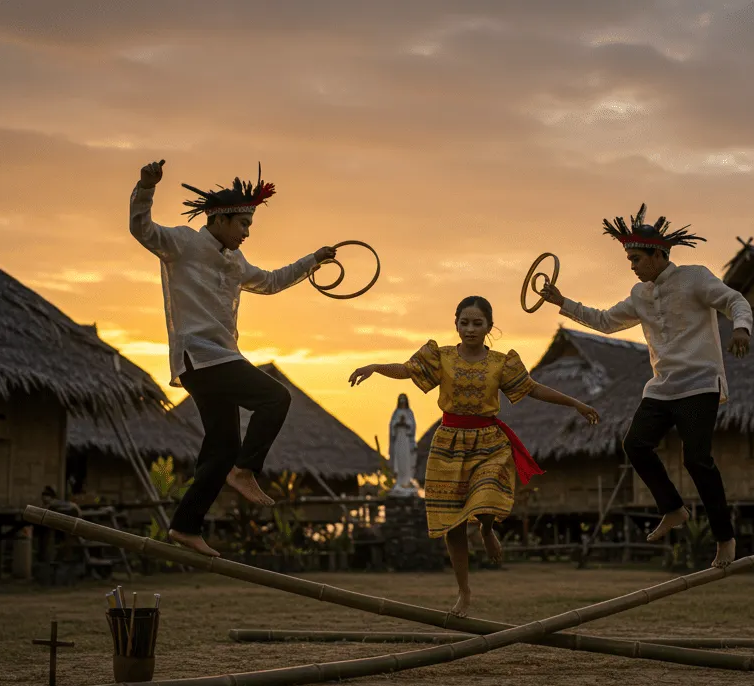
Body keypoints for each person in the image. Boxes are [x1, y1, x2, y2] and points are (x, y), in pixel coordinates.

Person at [129, 159, 337, 558]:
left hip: (216, 361)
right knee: (275, 398)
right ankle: (245, 470)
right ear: (220, 219)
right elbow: (143, 229)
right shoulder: (183, 244)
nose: (246, 233)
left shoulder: (235, 262)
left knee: (222, 447)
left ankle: (185, 526)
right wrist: (146, 187)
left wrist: (314, 259)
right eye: (243, 225)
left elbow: (273, 282)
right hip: (200, 356)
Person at [349, 296, 600, 616]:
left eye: (477, 323)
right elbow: (407, 369)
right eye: (464, 323)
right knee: (452, 525)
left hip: (487, 441)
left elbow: (533, 388)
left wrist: (575, 403)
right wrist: (374, 367)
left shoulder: (500, 363)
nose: (470, 329)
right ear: (455, 324)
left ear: (489, 327)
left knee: (486, 494)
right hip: (448, 444)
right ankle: (464, 592)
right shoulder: (441, 357)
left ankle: (485, 528)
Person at [536, 204, 752, 569]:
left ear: (659, 254)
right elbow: (605, 321)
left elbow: (734, 300)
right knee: (634, 445)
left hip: (700, 382)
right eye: (629, 259)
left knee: (697, 460)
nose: (632, 265)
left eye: (636, 258)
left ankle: (725, 539)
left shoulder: (696, 278)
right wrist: (563, 302)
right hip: (662, 387)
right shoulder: (639, 295)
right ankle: (672, 508)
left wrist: (742, 327)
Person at [387, 394, 420, 496]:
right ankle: (400, 482)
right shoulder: (395, 413)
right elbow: (392, 426)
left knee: (406, 460)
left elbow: (413, 426)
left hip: (406, 438)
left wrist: (405, 423)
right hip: (398, 439)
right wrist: (398, 423)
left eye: (403, 399)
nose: (402, 401)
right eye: (400, 400)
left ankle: (406, 482)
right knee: (399, 459)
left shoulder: (409, 413)